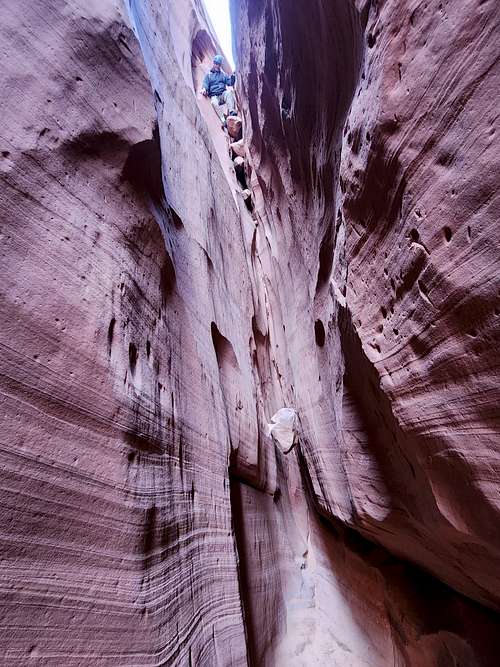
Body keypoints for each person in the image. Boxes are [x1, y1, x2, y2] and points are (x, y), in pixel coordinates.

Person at [201, 55, 237, 125]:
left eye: (219, 64)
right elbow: (205, 84)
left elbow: (229, 83)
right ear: (214, 63)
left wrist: (233, 77)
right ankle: (223, 120)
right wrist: (204, 89)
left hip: (222, 94)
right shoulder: (208, 75)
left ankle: (232, 113)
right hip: (214, 96)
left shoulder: (223, 75)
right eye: (216, 63)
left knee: (229, 93)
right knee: (214, 103)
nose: (217, 66)